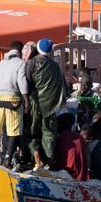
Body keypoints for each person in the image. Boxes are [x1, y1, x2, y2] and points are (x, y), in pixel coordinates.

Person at [0, 43, 29, 166]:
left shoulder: (0, 64)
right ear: (19, 50)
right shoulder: (21, 63)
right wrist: (26, 99)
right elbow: (22, 82)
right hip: (13, 98)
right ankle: (8, 160)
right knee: (13, 132)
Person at [26, 38, 68, 169]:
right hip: (51, 107)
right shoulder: (56, 67)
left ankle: (37, 160)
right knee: (49, 135)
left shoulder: (31, 63)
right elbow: (64, 88)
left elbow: (26, 84)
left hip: (34, 104)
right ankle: (49, 162)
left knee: (32, 133)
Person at [54, 112, 87, 180]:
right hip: (82, 177)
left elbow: (54, 158)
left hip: (66, 178)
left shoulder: (60, 138)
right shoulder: (79, 137)